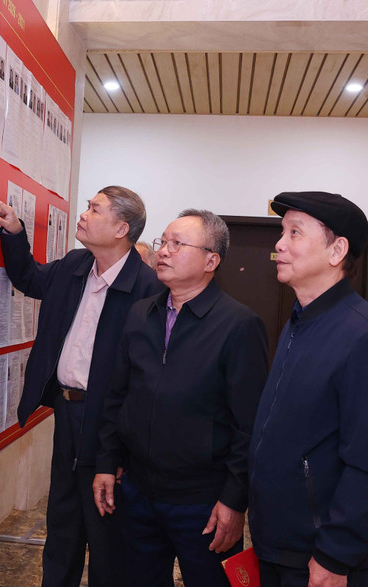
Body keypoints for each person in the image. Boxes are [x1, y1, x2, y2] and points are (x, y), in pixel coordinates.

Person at [0, 186, 163, 587]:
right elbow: (29, 278)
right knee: (63, 522)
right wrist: (14, 232)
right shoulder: (74, 264)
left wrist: (120, 447)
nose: (83, 214)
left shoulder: (148, 288)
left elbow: (146, 378)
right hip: (67, 411)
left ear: (122, 227)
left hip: (111, 423)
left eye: (94, 209)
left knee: (105, 533)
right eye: (86, 206)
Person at [94, 210, 269, 586]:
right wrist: (107, 461)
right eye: (163, 242)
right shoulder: (142, 314)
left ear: (211, 260)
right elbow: (117, 395)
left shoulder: (239, 325)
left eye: (178, 244)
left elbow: (249, 426)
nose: (164, 251)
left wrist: (235, 500)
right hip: (138, 492)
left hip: (203, 503)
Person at [248, 191, 368, 587]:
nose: (279, 244)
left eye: (295, 233)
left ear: (337, 251)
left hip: (321, 554)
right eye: (282, 232)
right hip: (277, 541)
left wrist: (336, 554)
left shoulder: (367, 335)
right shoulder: (298, 320)